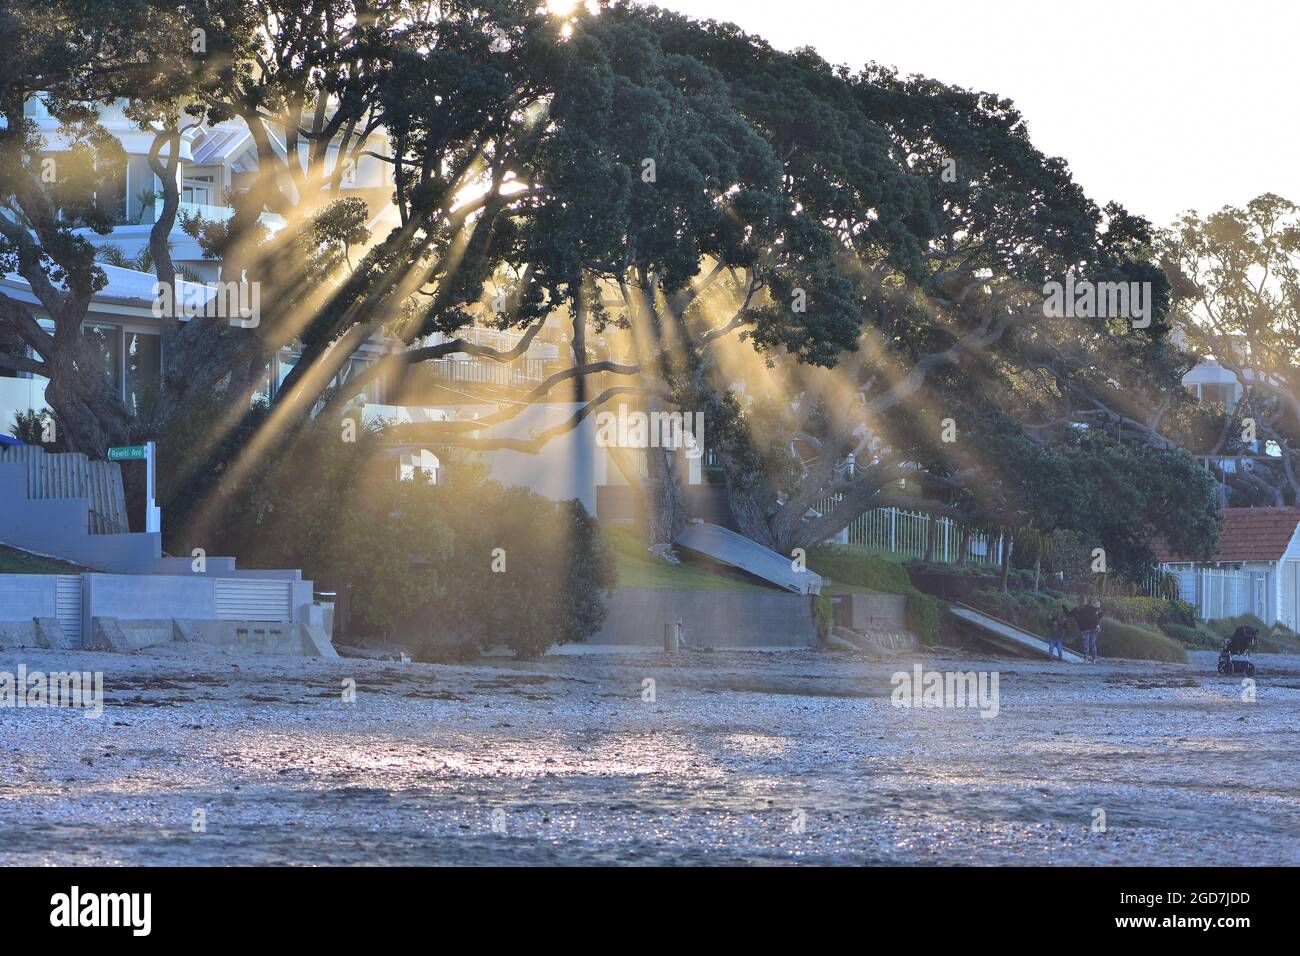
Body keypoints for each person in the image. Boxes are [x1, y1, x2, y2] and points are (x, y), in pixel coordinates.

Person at [1063, 595, 1104, 663]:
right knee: (1092, 644)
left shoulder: (1076, 609)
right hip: (1094, 628)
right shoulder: (1090, 607)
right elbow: (1100, 614)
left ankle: (1086, 659)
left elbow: (1068, 614)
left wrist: (1063, 607)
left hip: (1084, 629)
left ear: (1078, 601)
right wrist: (1097, 623)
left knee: (1086, 645)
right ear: (1085, 601)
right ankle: (1094, 659)